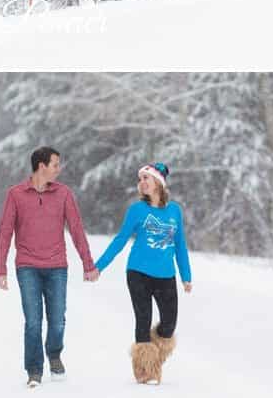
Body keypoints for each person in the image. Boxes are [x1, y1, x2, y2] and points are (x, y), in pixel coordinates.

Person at [0, 146, 99, 389]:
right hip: (27, 266)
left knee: (57, 321)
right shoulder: (16, 194)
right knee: (33, 321)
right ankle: (34, 370)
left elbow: (76, 229)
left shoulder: (63, 194)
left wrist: (88, 263)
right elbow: (5, 233)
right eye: (55, 164)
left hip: (56, 267)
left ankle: (54, 354)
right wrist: (1, 268)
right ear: (41, 166)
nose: (58, 169)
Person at [94, 162, 193, 385]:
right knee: (143, 319)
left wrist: (186, 275)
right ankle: (145, 370)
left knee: (169, 325)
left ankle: (151, 359)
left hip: (166, 274)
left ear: (158, 182)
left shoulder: (174, 211)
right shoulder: (137, 210)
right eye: (140, 179)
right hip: (138, 272)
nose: (141, 183)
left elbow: (180, 245)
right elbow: (120, 240)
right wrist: (98, 266)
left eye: (145, 178)